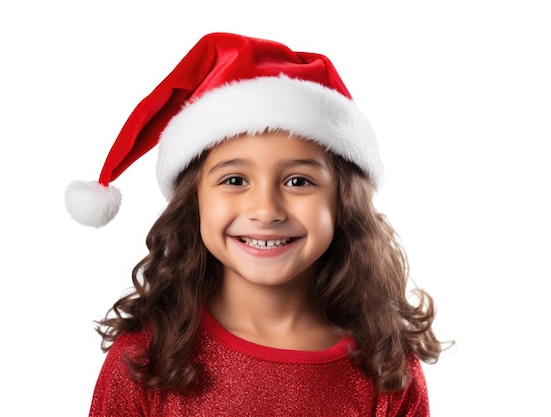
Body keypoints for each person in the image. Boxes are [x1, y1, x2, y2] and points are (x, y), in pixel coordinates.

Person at [65, 32, 447, 416]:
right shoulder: (143, 360)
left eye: (298, 181)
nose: (266, 211)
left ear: (343, 202)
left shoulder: (388, 370)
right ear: (194, 200)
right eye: (234, 181)